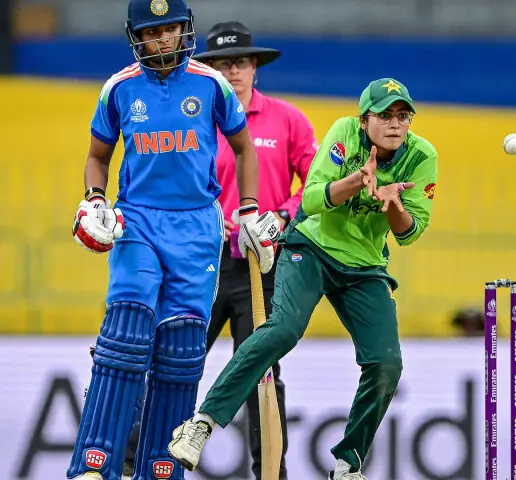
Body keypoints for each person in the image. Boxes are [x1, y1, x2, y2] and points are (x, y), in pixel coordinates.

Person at [168, 77, 438, 480]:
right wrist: (355, 183)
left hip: (364, 267)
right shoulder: (345, 133)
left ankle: (348, 463)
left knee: (386, 364)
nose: (395, 124)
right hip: (309, 248)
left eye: (403, 116)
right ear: (365, 121)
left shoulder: (421, 155)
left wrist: (392, 203)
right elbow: (310, 200)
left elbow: (410, 231)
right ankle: (201, 424)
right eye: (384, 115)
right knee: (283, 331)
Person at [66, 0, 281, 478]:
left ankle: (161, 468)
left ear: (185, 29)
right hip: (138, 221)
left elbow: (244, 148)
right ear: (135, 37)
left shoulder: (211, 84)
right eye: (151, 32)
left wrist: (248, 210)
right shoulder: (120, 88)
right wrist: (94, 199)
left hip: (198, 229)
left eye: (171, 29)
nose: (162, 39)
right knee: (127, 327)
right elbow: (97, 156)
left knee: (182, 353)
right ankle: (94, 462)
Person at [122, 21, 315, 479]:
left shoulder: (288, 120)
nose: (234, 71)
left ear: (255, 68)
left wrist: (280, 216)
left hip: (260, 269)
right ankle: (134, 460)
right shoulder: (196, 116)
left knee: (259, 373)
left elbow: (316, 187)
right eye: (224, 63)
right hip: (201, 263)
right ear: (209, 68)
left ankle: (270, 472)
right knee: (173, 359)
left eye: (242, 62)